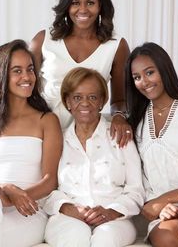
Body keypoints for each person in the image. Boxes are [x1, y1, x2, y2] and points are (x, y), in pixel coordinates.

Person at [0, 40, 62, 247]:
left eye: (30, 69)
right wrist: (8, 189)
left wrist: (20, 197)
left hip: (29, 212)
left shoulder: (46, 120)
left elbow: (50, 180)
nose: (27, 77)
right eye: (17, 71)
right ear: (1, 75)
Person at [43, 67, 144, 247]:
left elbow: (136, 189)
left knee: (105, 238)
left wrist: (112, 212)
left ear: (102, 101)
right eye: (77, 97)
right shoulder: (57, 139)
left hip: (116, 221)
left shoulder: (121, 136)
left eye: (92, 97)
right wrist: (69, 208)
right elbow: (47, 189)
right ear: (67, 102)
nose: (85, 103)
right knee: (75, 236)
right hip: (67, 218)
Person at [30, 0, 131, 147]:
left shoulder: (116, 46)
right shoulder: (43, 41)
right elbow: (17, 92)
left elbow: (119, 100)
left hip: (87, 137)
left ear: (101, 5)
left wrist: (119, 117)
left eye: (90, 2)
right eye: (75, 2)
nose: (83, 10)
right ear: (66, 5)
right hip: (41, 134)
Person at [125, 42, 178, 247]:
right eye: (137, 77)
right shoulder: (137, 123)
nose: (144, 82)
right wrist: (158, 206)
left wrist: (166, 198)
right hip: (162, 207)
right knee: (167, 238)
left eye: (150, 72)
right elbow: (140, 178)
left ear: (164, 69)